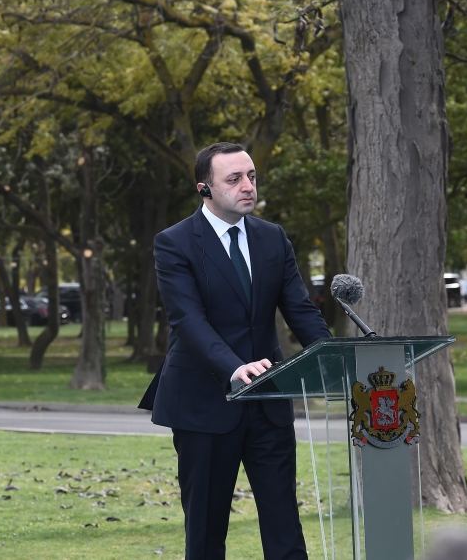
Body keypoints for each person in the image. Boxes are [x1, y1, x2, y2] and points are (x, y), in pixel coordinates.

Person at [139, 142, 330, 560]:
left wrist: (333, 359)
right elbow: (188, 321)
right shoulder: (174, 243)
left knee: (285, 528)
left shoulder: (272, 238)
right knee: (206, 533)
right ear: (204, 189)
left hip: (268, 402)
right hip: (203, 404)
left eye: (252, 176)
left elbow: (300, 310)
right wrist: (234, 366)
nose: (248, 186)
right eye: (234, 179)